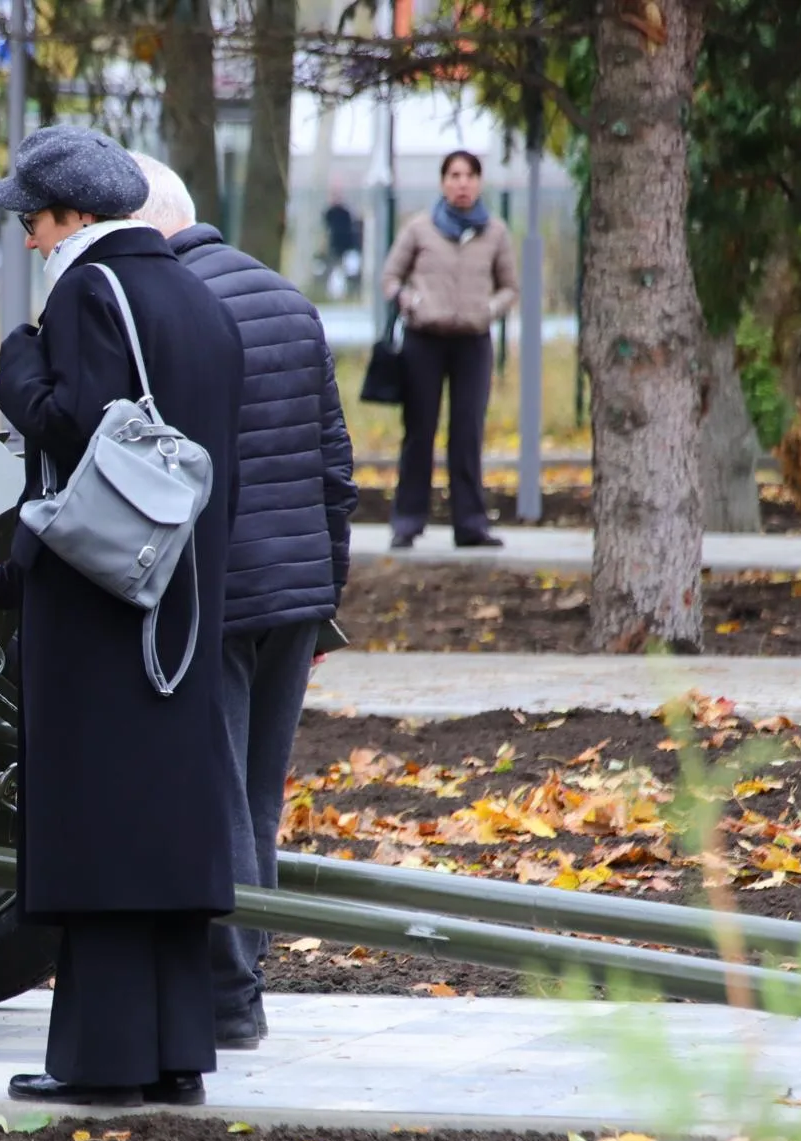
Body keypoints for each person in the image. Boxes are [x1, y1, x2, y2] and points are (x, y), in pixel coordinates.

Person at [0, 124, 242, 1108]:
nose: (31, 239)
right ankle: (175, 1055)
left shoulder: (91, 292)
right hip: (182, 601)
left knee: (102, 829)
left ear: (76, 215)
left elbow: (82, 445)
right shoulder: (195, 296)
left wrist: (17, 376)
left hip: (103, 610)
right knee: (161, 829)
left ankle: (101, 1060)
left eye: (34, 220)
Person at [129, 153, 358, 1051]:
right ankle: (242, 984)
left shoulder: (166, 311)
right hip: (294, 594)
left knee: (215, 796)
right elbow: (335, 466)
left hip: (214, 592)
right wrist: (324, 592)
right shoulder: (289, 300)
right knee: (257, 798)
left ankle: (229, 1000)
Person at [379, 149, 519, 550]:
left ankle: (471, 524)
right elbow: (390, 277)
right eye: (455, 175)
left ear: (479, 182)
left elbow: (510, 287)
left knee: (467, 433)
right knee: (419, 431)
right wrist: (410, 302)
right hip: (424, 342)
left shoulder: (495, 232)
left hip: (473, 344)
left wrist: (489, 310)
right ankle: (407, 522)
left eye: (470, 175)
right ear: (443, 181)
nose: (462, 183)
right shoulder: (419, 229)